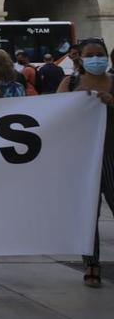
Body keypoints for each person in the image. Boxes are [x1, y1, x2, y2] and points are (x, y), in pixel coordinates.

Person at [55, 39, 114, 287]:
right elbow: (53, 113)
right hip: (82, 156)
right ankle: (91, 264)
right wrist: (75, 102)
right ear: (80, 58)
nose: (96, 58)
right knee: (89, 214)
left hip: (111, 154)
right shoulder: (70, 84)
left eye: (100, 54)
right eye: (90, 55)